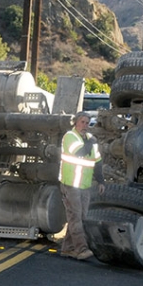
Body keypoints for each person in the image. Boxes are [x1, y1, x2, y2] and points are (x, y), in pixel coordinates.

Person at [59, 111, 104, 260]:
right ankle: (81, 249)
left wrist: (101, 181)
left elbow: (97, 162)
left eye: (87, 122)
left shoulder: (91, 139)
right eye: (82, 122)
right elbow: (80, 152)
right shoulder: (70, 137)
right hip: (70, 184)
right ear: (75, 123)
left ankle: (67, 248)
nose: (85, 125)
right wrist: (91, 143)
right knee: (76, 217)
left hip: (84, 185)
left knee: (80, 217)